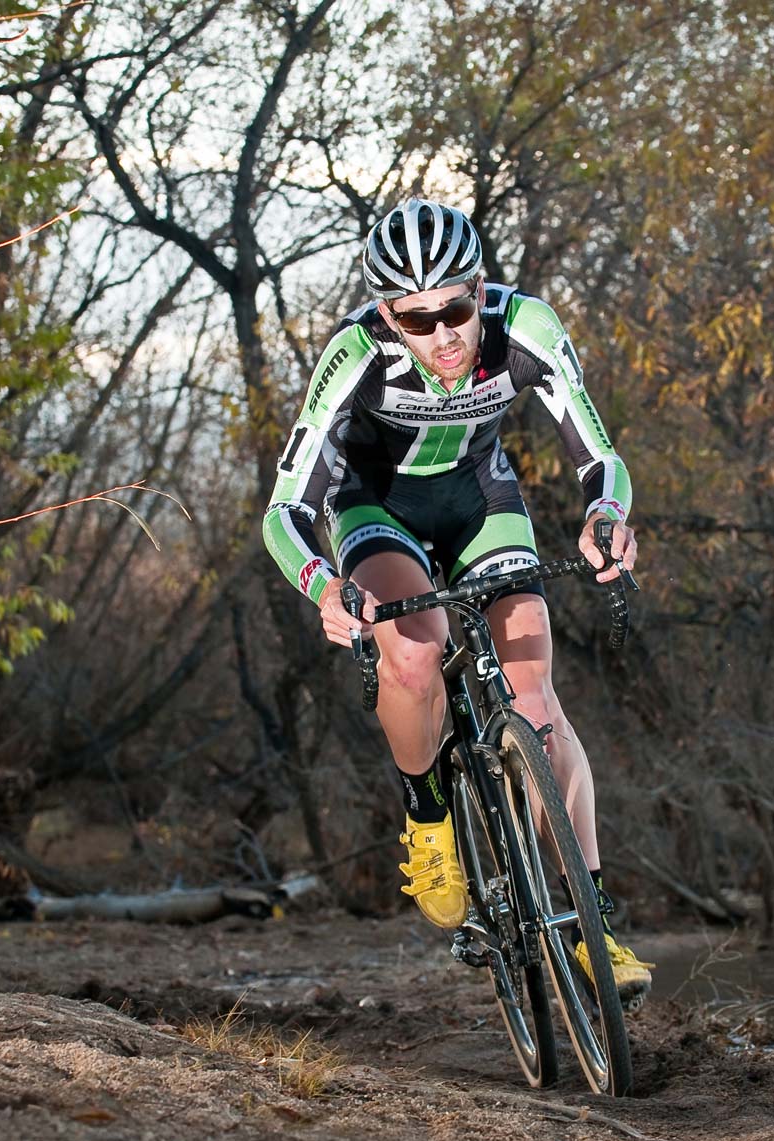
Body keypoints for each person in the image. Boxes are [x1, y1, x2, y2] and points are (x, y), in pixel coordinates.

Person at [263, 197, 653, 1004]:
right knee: (412, 652)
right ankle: (429, 814)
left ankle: (593, 925)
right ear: (385, 314)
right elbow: (284, 512)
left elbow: (599, 455)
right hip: (377, 510)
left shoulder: (526, 330)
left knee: (537, 700)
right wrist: (323, 587)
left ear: (481, 288)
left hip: (481, 500)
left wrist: (606, 519)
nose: (443, 334)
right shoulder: (353, 357)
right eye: (418, 318)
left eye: (457, 309)